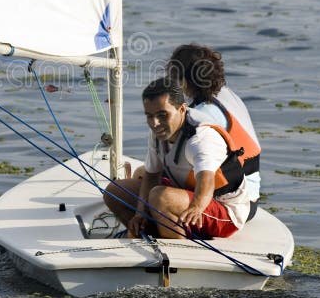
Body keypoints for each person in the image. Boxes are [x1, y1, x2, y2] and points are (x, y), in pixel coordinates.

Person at [103, 77, 250, 239]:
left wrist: (196, 207)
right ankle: (149, 233)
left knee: (160, 197)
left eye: (162, 115)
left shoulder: (200, 137)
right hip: (187, 194)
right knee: (115, 191)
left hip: (224, 209)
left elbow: (206, 181)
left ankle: (179, 251)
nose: (155, 123)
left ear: (182, 109)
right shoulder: (158, 132)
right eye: (149, 116)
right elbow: (152, 177)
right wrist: (140, 214)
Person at [167, 43, 262, 206]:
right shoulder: (226, 95)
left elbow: (181, 165)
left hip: (235, 202)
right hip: (251, 194)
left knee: (155, 191)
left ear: (185, 80)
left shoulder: (202, 115)